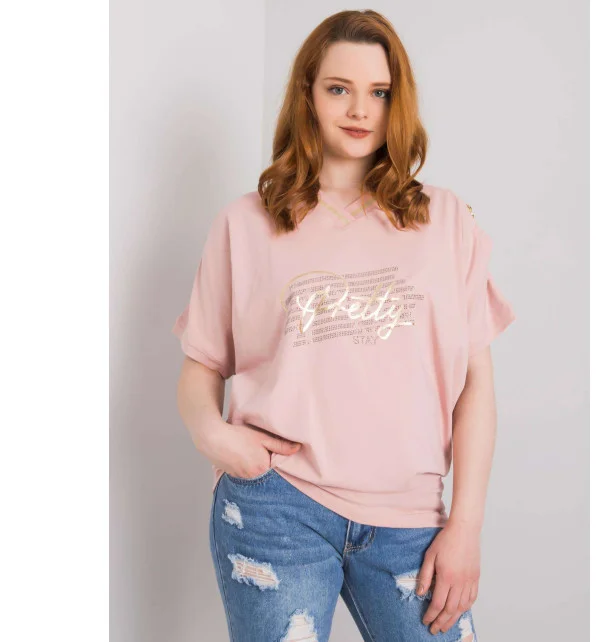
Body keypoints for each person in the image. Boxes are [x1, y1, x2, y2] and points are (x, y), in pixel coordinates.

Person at [173, 9, 515, 642]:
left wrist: (466, 526)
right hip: (278, 507)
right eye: (339, 88)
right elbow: (201, 368)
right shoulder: (246, 223)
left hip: (411, 518)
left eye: (379, 92)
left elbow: (477, 387)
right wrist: (213, 436)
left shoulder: (446, 221)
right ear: (307, 94)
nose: (360, 110)